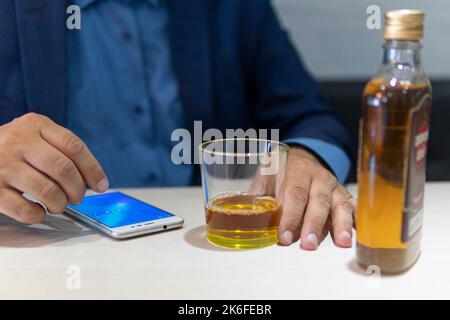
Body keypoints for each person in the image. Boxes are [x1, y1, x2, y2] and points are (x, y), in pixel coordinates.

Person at [0, 0, 355, 250]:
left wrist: (305, 159)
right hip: (49, 248)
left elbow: (311, 117)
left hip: (209, 252)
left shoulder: (230, 7)